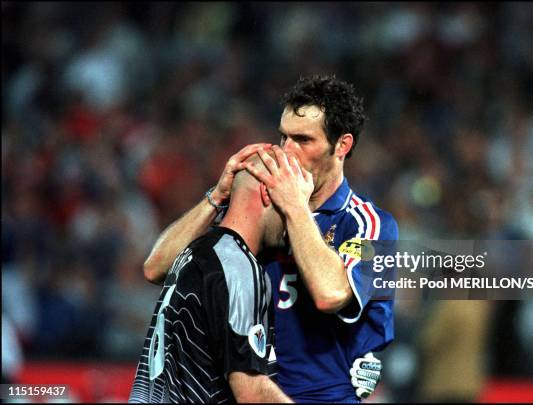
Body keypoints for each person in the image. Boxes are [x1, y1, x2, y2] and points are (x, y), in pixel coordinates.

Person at [144, 75, 399, 402]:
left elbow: (331, 294)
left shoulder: (368, 224)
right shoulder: (264, 210)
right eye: (284, 137)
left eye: (303, 140)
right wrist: (217, 197)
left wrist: (295, 208)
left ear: (342, 146)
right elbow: (157, 269)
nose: (287, 152)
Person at [129, 153, 305, 403]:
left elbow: (153, 268)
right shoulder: (239, 268)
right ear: (267, 193)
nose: (295, 216)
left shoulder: (195, 251)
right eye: (293, 200)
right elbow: (252, 391)